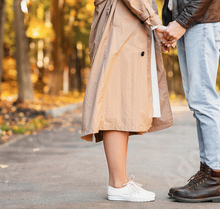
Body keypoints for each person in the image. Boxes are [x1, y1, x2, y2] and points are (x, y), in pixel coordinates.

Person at [81, 0, 173, 202]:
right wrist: (156, 24)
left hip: (124, 23)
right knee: (117, 103)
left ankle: (119, 180)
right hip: (120, 25)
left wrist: (155, 29)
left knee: (122, 103)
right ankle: (118, 184)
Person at [161, 0, 220, 203]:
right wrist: (170, 24)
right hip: (192, 21)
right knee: (197, 101)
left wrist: (180, 22)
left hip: (202, 21)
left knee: (204, 99)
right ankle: (207, 173)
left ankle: (215, 178)